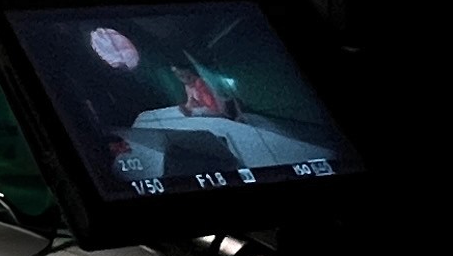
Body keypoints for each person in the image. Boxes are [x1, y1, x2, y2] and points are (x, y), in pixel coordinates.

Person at [111, 52, 339, 190]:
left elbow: (212, 108)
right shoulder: (149, 121)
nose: (183, 79)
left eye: (183, 74)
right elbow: (193, 108)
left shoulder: (200, 90)